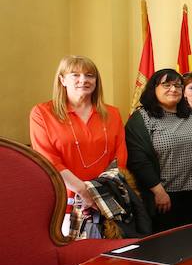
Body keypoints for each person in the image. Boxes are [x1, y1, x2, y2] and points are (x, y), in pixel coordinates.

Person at [30, 55, 128, 237]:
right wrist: (84, 192)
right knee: (71, 260)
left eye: (90, 75)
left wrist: (99, 193)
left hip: (106, 199)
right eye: (75, 75)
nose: (83, 80)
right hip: (64, 203)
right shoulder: (42, 113)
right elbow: (49, 160)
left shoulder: (112, 113)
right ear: (62, 80)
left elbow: (119, 157)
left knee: (109, 260)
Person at [126, 69, 192, 232]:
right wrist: (158, 191)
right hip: (161, 196)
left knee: (187, 242)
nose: (174, 89)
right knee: (163, 247)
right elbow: (138, 160)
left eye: (178, 85)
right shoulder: (142, 117)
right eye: (166, 85)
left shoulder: (189, 114)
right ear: (153, 88)